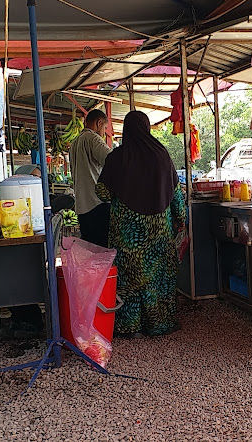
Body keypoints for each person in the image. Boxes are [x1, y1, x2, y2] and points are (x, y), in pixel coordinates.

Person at [96, 111, 186, 336]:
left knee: (128, 279)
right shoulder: (162, 155)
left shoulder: (116, 158)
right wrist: (180, 219)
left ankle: (129, 326)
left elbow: (102, 192)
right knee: (158, 279)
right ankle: (158, 324)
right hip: (159, 233)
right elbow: (176, 194)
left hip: (127, 235)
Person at [69, 109, 111, 247]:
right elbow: (112, 161)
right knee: (103, 250)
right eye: (104, 128)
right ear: (99, 123)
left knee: (91, 250)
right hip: (96, 204)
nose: (104, 132)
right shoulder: (93, 139)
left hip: (81, 207)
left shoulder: (74, 143)